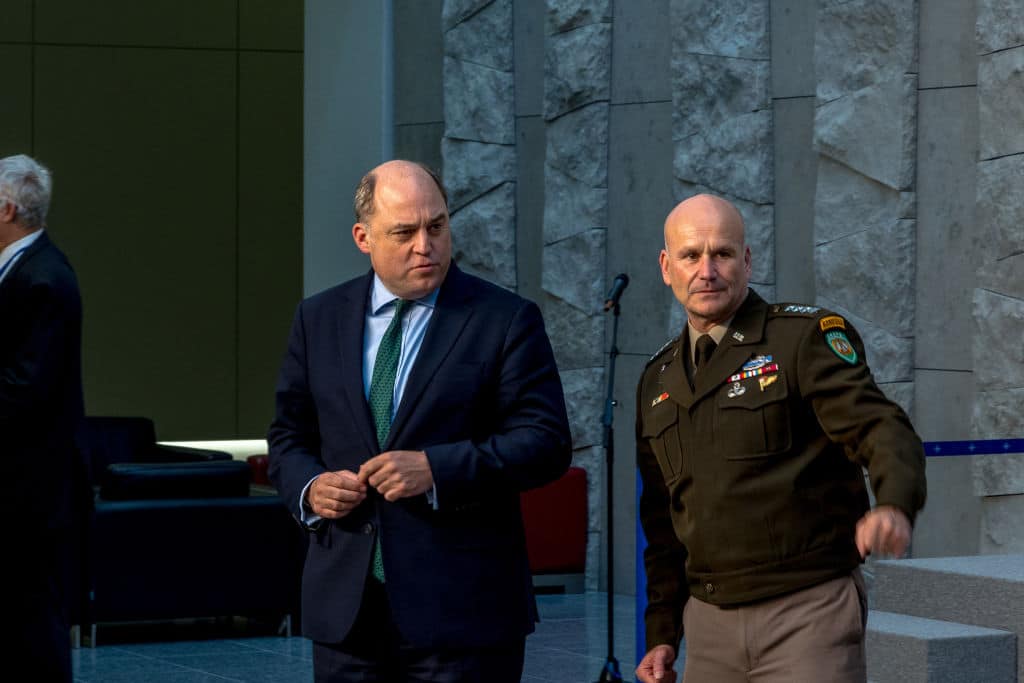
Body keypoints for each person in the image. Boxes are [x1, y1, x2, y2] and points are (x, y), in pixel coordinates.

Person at [267, 159, 572, 681]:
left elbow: (545, 443)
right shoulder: (317, 319)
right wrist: (312, 487)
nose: (424, 245)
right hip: (348, 615)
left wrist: (436, 469)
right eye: (404, 232)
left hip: (465, 617)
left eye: (437, 225)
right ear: (364, 237)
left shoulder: (504, 319)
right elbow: (288, 437)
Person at [634, 194, 927, 683]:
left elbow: (880, 426)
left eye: (722, 253)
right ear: (667, 267)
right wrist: (662, 632)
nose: (706, 270)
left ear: (747, 261)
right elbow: (663, 522)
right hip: (708, 625)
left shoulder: (801, 338)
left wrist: (893, 502)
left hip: (806, 612)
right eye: (690, 255)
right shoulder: (656, 379)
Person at [0, 154, 84, 682]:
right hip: (17, 486)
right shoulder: (23, 270)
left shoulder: (45, 278)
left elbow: (25, 387)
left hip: (29, 491)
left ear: (6, 208)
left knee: (31, 621)